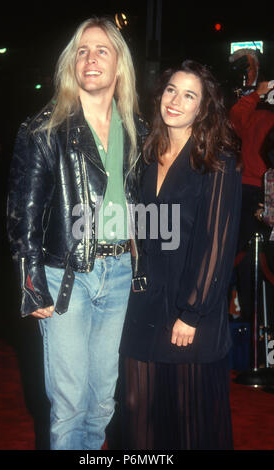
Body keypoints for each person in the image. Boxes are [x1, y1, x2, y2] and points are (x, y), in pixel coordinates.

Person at [7, 17, 148, 450]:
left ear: (119, 65)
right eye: (82, 51)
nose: (91, 58)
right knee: (68, 404)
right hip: (65, 277)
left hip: (121, 272)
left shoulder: (137, 129)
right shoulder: (44, 128)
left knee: (103, 401)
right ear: (71, 63)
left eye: (102, 50)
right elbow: (22, 214)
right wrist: (31, 287)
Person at [119, 60, 242, 450]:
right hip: (143, 303)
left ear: (202, 108)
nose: (176, 100)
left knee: (190, 423)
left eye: (189, 95)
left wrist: (191, 312)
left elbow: (217, 244)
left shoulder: (218, 160)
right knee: (137, 410)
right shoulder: (145, 154)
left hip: (192, 310)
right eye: (171, 89)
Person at [229, 49, 274, 322]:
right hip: (248, 191)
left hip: (261, 194)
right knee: (245, 260)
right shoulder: (256, 109)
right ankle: (249, 325)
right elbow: (235, 118)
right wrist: (257, 93)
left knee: (259, 261)